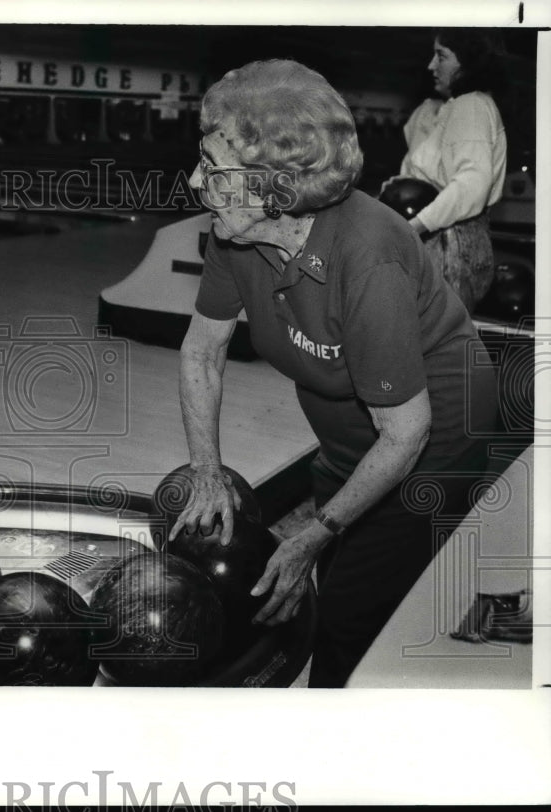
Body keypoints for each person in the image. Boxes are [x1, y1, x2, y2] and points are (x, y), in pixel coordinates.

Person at [170, 59, 498, 688]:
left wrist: (310, 536)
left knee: (350, 609)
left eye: (214, 170)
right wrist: (206, 473)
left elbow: (405, 434)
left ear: (276, 185)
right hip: (352, 437)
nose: (194, 182)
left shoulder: (366, 256)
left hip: (436, 442)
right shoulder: (234, 240)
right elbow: (200, 353)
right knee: (339, 573)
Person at [386, 29, 507, 313]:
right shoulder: (454, 107)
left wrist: (415, 226)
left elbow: (472, 183)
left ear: (469, 62)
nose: (431, 65)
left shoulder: (472, 107)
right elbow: (420, 171)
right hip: (443, 239)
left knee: (434, 342)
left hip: (449, 244)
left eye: (442, 56)